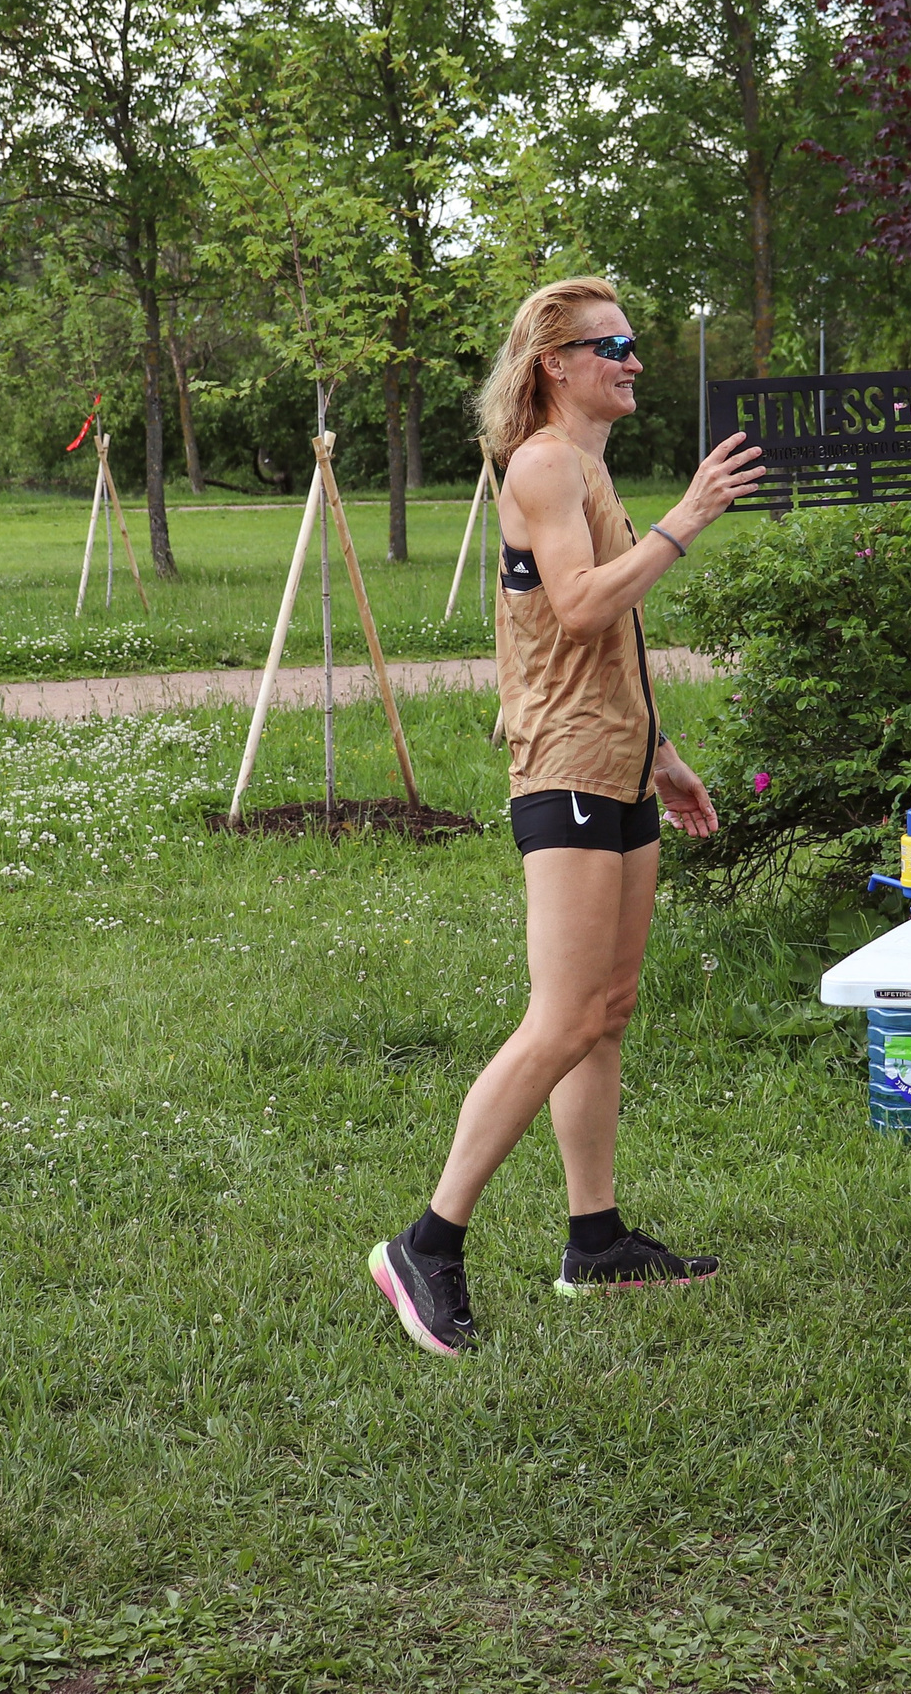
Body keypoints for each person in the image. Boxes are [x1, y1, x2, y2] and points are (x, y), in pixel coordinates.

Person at [368, 276, 765, 1356]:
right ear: (555, 361)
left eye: (632, 342)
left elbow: (591, 639)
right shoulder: (545, 462)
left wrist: (664, 753)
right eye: (613, 344)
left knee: (607, 1008)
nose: (633, 360)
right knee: (560, 1014)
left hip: (618, 767)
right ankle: (426, 1241)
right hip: (567, 774)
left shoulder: (586, 466)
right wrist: (690, 516)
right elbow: (585, 603)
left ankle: (594, 1241)